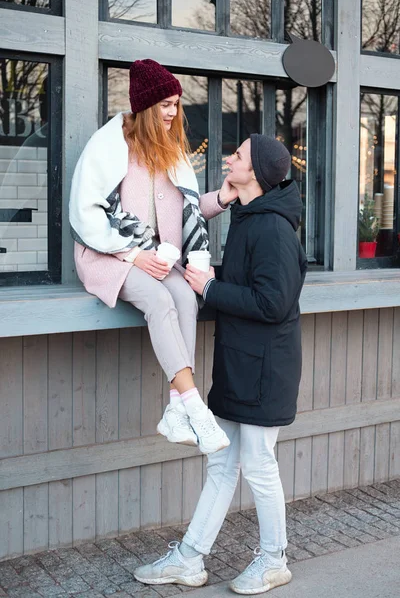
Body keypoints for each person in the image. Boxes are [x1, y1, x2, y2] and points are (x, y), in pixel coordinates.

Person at [134, 134, 308, 595]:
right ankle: (190, 559)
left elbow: (273, 302)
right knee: (222, 464)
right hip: (239, 364)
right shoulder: (249, 216)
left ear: (257, 173)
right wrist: (200, 284)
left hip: (266, 370)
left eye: (239, 156)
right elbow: (243, 288)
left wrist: (210, 288)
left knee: (258, 464)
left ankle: (274, 561)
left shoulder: (272, 228)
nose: (229, 158)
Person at [69, 59, 238, 454]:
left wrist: (223, 198)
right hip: (109, 255)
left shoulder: (170, 152)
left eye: (176, 104)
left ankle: (174, 409)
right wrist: (132, 254)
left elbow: (187, 209)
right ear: (145, 106)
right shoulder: (110, 144)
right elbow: (85, 210)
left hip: (158, 258)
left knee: (184, 297)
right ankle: (196, 408)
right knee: (161, 300)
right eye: (165, 104)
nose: (172, 112)